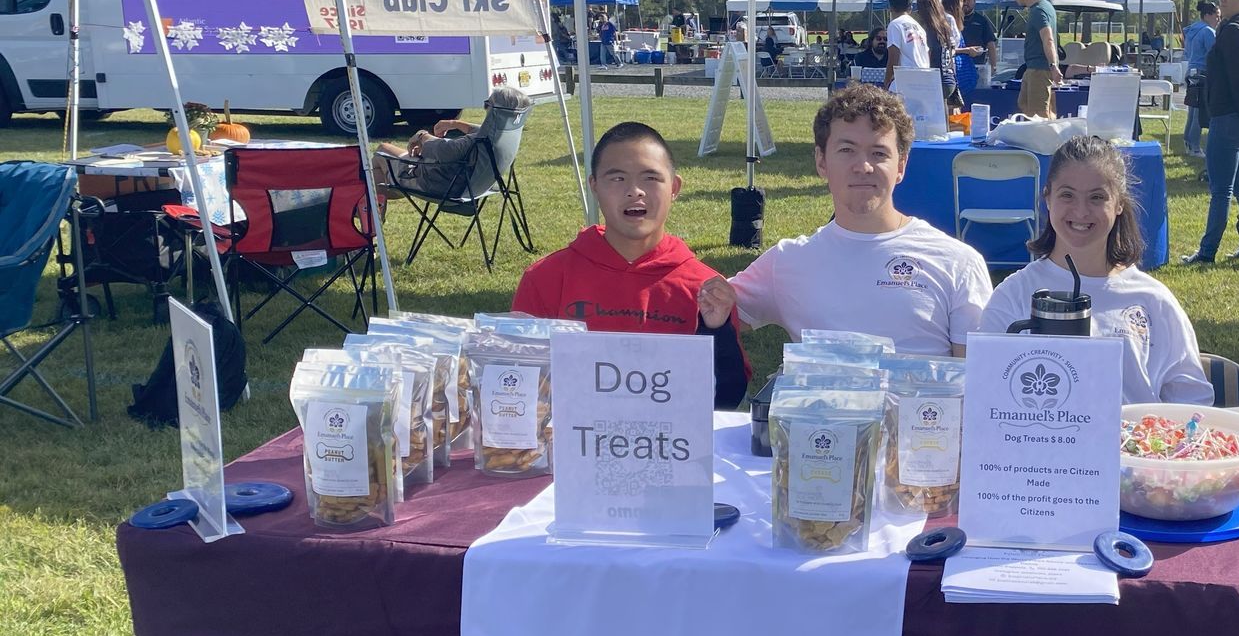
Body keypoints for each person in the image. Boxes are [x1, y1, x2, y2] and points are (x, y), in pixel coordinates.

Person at [697, 85, 991, 357]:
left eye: (878, 153)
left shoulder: (957, 262)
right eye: (846, 150)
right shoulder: (788, 262)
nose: (863, 167)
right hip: (825, 414)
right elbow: (712, 308)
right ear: (821, 161)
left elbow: (980, 380)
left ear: (900, 166)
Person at [512, 122, 749, 409]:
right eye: (617, 178)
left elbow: (726, 399)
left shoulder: (705, 288)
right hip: (571, 447)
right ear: (594, 186)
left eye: (650, 178)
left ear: (674, 188)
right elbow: (516, 386)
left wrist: (717, 330)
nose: (634, 191)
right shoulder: (547, 278)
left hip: (671, 448)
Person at [981, 136, 1212, 404]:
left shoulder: (1153, 299)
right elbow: (987, 396)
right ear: (1048, 198)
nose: (1081, 211)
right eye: (1067, 195)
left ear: (1119, 205)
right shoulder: (1013, 295)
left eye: (1097, 197)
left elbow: (1192, 401)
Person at [1183, 0, 1239, 264]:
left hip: (1232, 114)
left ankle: (1207, 252)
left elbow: (1236, 80)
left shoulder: (1233, 30)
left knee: (1221, 191)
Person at [373, 83, 531, 195]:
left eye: (487, 104)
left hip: (440, 186)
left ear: (495, 110)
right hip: (475, 187)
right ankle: (378, 209)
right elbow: (481, 131)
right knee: (387, 173)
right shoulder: (503, 136)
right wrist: (454, 123)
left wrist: (421, 135)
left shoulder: (473, 142)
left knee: (382, 151)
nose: (485, 108)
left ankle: (372, 220)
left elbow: (442, 151)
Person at [1010, 0, 1062, 118]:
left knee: (1039, 113)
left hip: (1040, 68)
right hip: (1033, 67)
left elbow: (1048, 38)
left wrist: (1053, 66)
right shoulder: (1044, 7)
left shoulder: (1039, 11)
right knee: (1024, 104)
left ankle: (1045, 139)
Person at [1181, 0, 1218, 157]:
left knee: (1192, 111)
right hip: (1203, 73)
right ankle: (1195, 147)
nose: (1218, 19)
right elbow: (1214, 53)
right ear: (1208, 15)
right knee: (1199, 113)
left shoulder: (1192, 31)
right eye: (1217, 16)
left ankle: (1188, 143)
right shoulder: (1208, 31)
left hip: (1191, 71)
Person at [916, 0, 963, 109]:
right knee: (943, 114)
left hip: (936, 80)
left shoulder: (929, 31)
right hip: (950, 79)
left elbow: (927, 57)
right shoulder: (944, 28)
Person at [883, 0, 928, 86]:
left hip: (906, 78)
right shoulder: (919, 27)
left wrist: (886, 82)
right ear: (910, 7)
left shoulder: (895, 25)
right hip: (924, 76)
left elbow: (893, 56)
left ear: (890, 7)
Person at [959, 0, 998, 82]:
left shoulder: (981, 21)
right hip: (958, 68)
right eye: (963, 0)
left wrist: (993, 66)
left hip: (977, 68)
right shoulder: (952, 20)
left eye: (968, 0)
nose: (965, 3)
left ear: (974, 1)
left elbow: (991, 44)